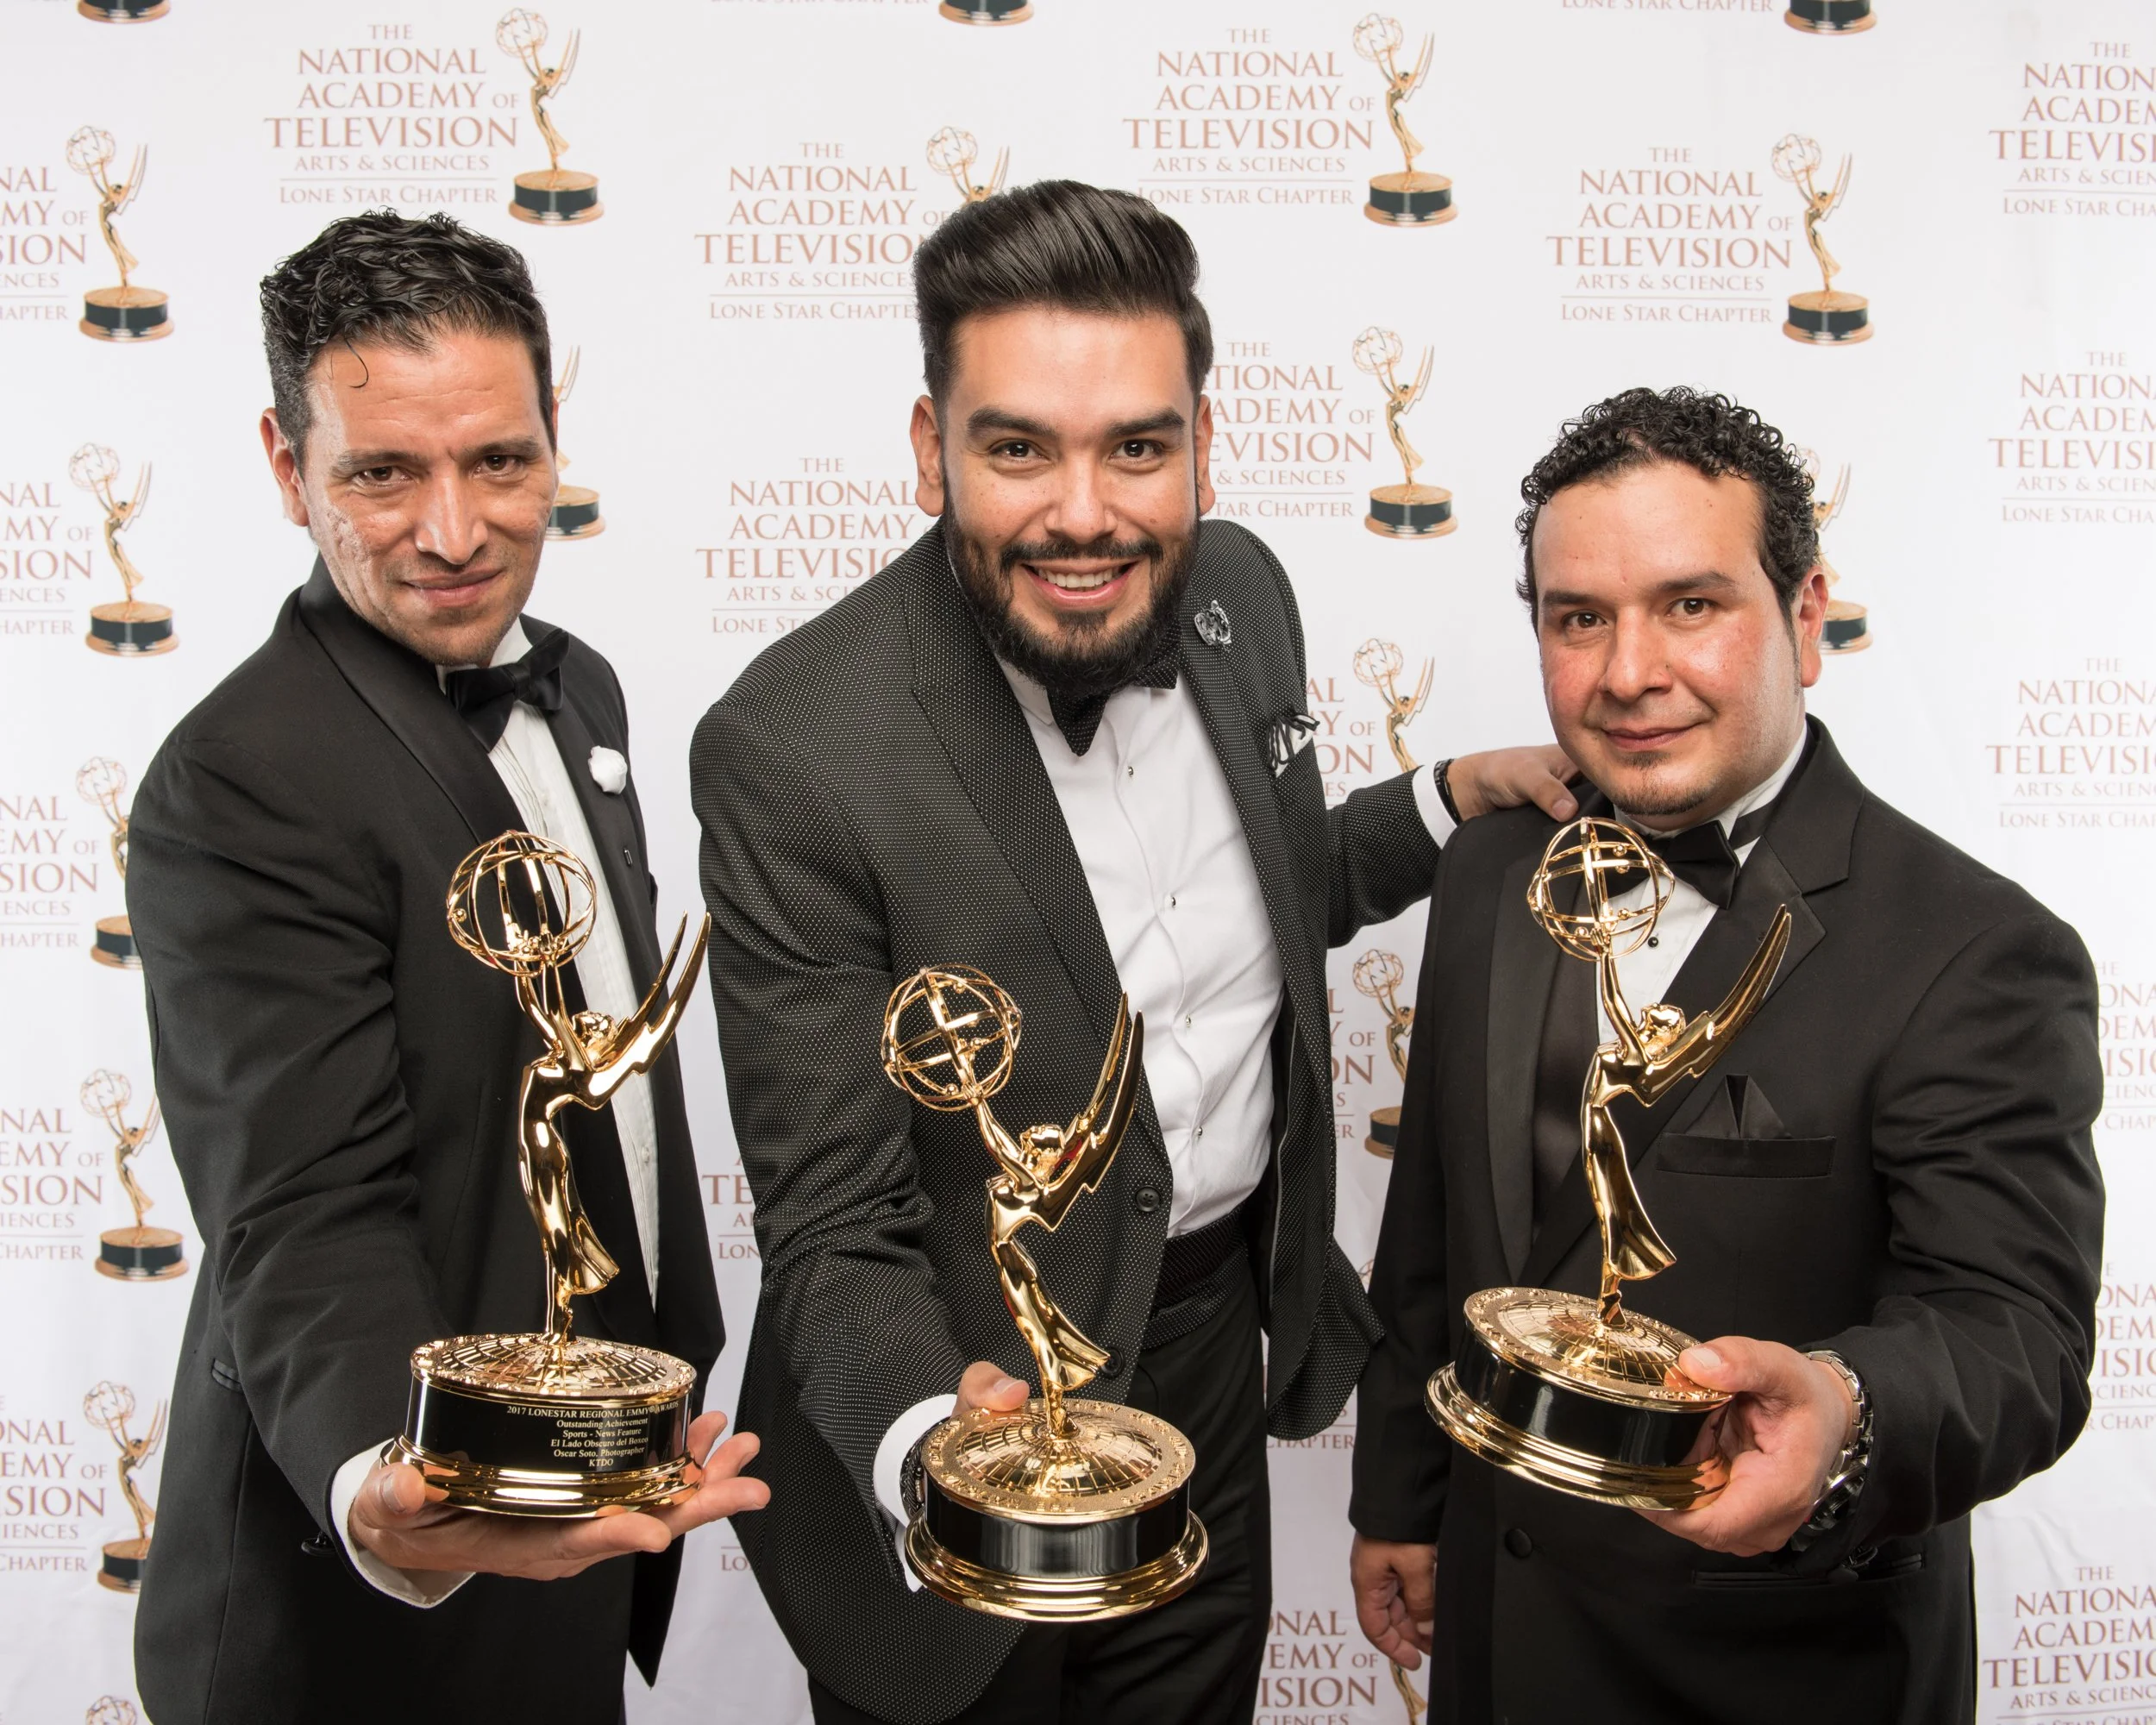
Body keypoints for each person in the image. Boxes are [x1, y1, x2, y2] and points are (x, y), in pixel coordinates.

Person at [689, 179, 1576, 1725]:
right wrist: (933, 1450)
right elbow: (830, 1216)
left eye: (1138, 447)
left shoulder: (1238, 593)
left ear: (1203, 446)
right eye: (1018, 446)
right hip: (967, 1398)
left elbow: (1239, 903)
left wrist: (1437, 807)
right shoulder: (795, 746)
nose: (1086, 511)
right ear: (928, 452)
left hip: (1206, 1357)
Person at [1349, 386, 2106, 1724]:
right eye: (1579, 618)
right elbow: (1438, 1237)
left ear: (1806, 617)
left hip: (1778, 1665)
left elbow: (2018, 1337)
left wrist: (1845, 1404)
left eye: (1691, 605)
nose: (1628, 672)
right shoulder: (1492, 867)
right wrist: (1401, 1498)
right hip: (1491, 1637)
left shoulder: (1977, 949)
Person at [124, 210, 764, 1725]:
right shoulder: (240, 779)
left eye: (501, 461)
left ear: (557, 434)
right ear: (290, 470)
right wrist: (379, 1477)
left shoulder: (582, 687)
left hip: (577, 1511)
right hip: (357, 1598)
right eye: (382, 473)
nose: (456, 531)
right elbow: (299, 1202)